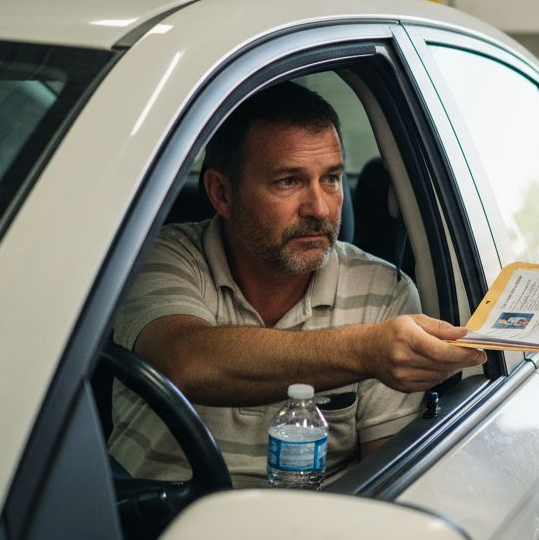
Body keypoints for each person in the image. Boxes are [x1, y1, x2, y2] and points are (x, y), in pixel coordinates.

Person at [110, 82, 485, 486]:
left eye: (332, 179)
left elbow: (384, 485)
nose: (319, 208)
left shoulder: (384, 290)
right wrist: (366, 350)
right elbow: (186, 361)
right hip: (151, 532)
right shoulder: (161, 255)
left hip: (309, 537)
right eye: (288, 181)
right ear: (221, 192)